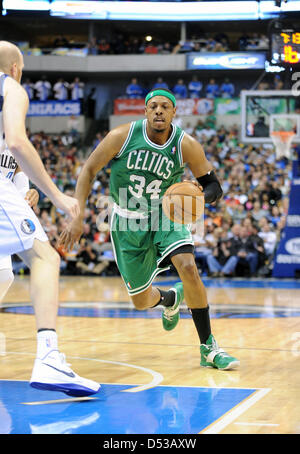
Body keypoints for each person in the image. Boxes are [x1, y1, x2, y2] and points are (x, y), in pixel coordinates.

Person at [60, 87, 239, 370]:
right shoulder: (122, 136)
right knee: (141, 301)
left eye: (164, 107)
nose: (158, 111)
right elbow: (88, 170)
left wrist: (198, 198)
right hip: (127, 220)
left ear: (173, 112)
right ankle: (169, 298)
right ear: (145, 111)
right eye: (153, 106)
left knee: (188, 266)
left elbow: (214, 185)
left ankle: (209, 348)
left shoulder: (186, 144)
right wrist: (77, 216)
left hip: (165, 213)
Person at [0, 41, 100, 396]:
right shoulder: (9, 86)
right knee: (44, 257)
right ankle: (48, 357)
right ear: (14, 68)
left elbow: (9, 159)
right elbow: (15, 142)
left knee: (2, 272)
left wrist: (19, 186)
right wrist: (56, 195)